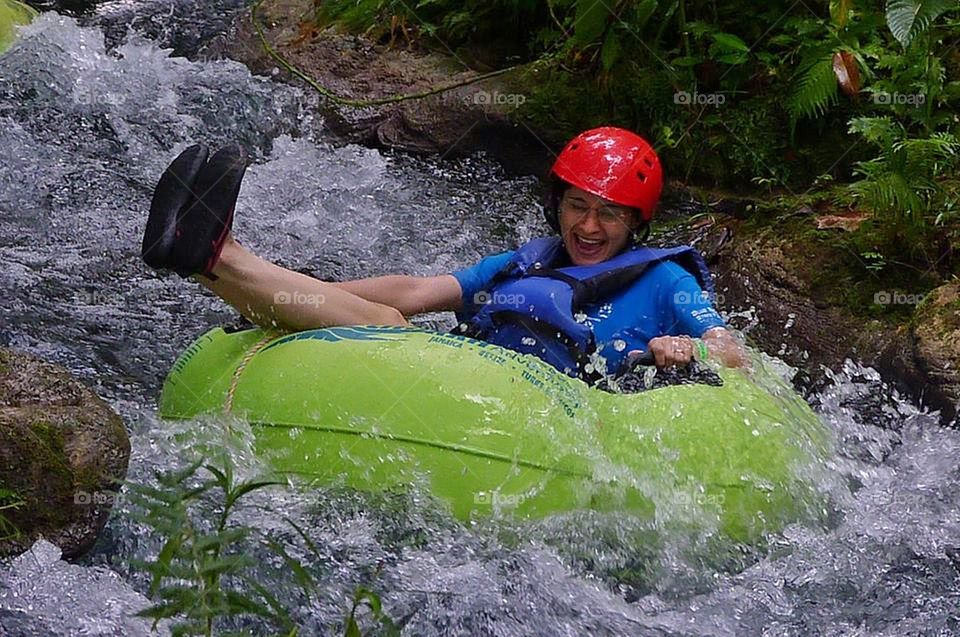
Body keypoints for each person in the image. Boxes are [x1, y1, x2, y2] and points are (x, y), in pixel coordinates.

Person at [141, 127, 744, 381]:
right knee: (387, 318)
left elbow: (730, 349)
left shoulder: (665, 280)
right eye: (576, 206)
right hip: (478, 382)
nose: (588, 226)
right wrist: (302, 298)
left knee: (383, 328)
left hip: (573, 409)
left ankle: (220, 257)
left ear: (637, 222)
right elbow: (413, 292)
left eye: (609, 213)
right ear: (555, 203)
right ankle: (214, 262)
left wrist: (690, 346)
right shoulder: (526, 263)